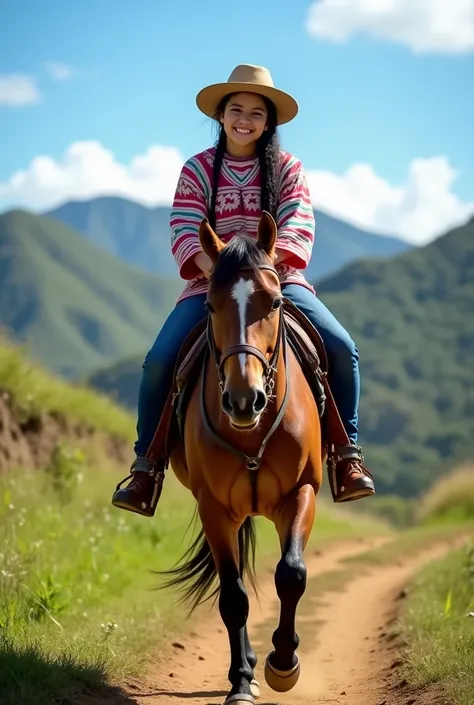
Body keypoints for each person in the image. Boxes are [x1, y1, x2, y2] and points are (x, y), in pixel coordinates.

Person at [111, 64, 375, 516]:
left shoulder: (288, 169)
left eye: (256, 112)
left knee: (341, 347)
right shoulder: (196, 170)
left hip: (278, 281)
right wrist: (220, 271)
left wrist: (261, 269)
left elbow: (298, 224)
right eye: (237, 109)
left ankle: (346, 457)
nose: (245, 119)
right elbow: (183, 229)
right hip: (209, 285)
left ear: (268, 121)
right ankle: (146, 468)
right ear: (221, 115)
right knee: (158, 361)